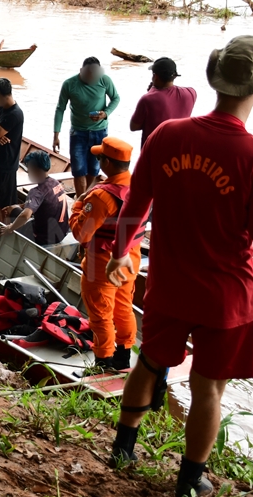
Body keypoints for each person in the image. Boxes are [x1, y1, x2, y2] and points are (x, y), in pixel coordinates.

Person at [105, 36, 253, 497]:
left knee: (148, 361)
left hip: (168, 284)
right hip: (227, 298)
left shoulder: (167, 136)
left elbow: (134, 207)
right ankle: (190, 481)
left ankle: (123, 449)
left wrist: (123, 251)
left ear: (214, 82)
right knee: (208, 388)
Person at [68, 137, 141, 374]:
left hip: (103, 263)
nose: (98, 161)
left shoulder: (101, 197)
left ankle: (102, 364)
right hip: (131, 259)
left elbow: (81, 234)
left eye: (100, 158)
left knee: (100, 314)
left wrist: (78, 205)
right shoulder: (142, 186)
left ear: (107, 163)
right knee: (124, 308)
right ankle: (123, 358)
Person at [53, 57, 121, 197]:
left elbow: (116, 98)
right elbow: (60, 108)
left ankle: (84, 197)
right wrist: (56, 135)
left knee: (94, 170)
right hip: (78, 132)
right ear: (81, 71)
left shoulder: (105, 80)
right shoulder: (69, 84)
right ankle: (80, 200)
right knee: (78, 170)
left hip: (100, 132)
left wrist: (105, 113)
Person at [0, 151, 69, 245]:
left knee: (11, 209)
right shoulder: (55, 183)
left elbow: (25, 216)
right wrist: (23, 205)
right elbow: (45, 202)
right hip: (61, 234)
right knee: (18, 208)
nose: (28, 171)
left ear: (34, 168)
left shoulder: (36, 191)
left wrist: (10, 227)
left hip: (43, 238)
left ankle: (5, 238)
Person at [130, 57, 197, 147]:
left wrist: (152, 92)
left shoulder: (147, 99)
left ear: (155, 76)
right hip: (178, 153)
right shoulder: (191, 93)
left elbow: (134, 127)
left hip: (154, 153)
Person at [0, 78, 24, 215]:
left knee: (4, 205)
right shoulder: (2, 109)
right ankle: (4, 227)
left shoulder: (14, 114)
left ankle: (5, 230)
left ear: (0, 96)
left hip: (5, 165)